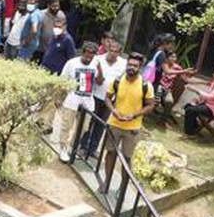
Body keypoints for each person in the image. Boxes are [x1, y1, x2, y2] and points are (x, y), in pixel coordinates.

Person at [100, 52, 153, 192]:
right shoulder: (117, 80)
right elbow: (107, 98)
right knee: (110, 153)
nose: (131, 67)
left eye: (135, 66)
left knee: (127, 159)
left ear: (140, 68)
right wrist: (113, 110)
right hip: (114, 124)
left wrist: (134, 115)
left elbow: (150, 105)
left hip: (132, 128)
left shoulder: (146, 85)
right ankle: (106, 181)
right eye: (129, 64)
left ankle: (122, 188)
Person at [81, 39, 126, 157]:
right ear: (107, 49)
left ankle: (93, 148)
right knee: (89, 122)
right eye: (111, 50)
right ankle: (82, 146)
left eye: (116, 52)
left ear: (119, 53)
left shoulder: (123, 64)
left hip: (109, 100)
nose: (113, 53)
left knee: (101, 124)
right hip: (94, 96)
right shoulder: (98, 59)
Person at [55, 42, 99, 162]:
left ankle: (72, 146)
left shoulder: (96, 65)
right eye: (87, 54)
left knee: (84, 128)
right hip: (72, 99)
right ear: (83, 52)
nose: (89, 57)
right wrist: (59, 97)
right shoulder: (72, 63)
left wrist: (99, 67)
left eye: (92, 55)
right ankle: (63, 148)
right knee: (66, 125)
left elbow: (100, 80)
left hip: (88, 100)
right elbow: (62, 80)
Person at [183, 68, 214, 137]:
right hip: (209, 106)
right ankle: (194, 129)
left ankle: (189, 133)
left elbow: (211, 97)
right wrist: (198, 100)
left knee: (190, 110)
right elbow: (208, 95)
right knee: (188, 106)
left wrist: (196, 90)